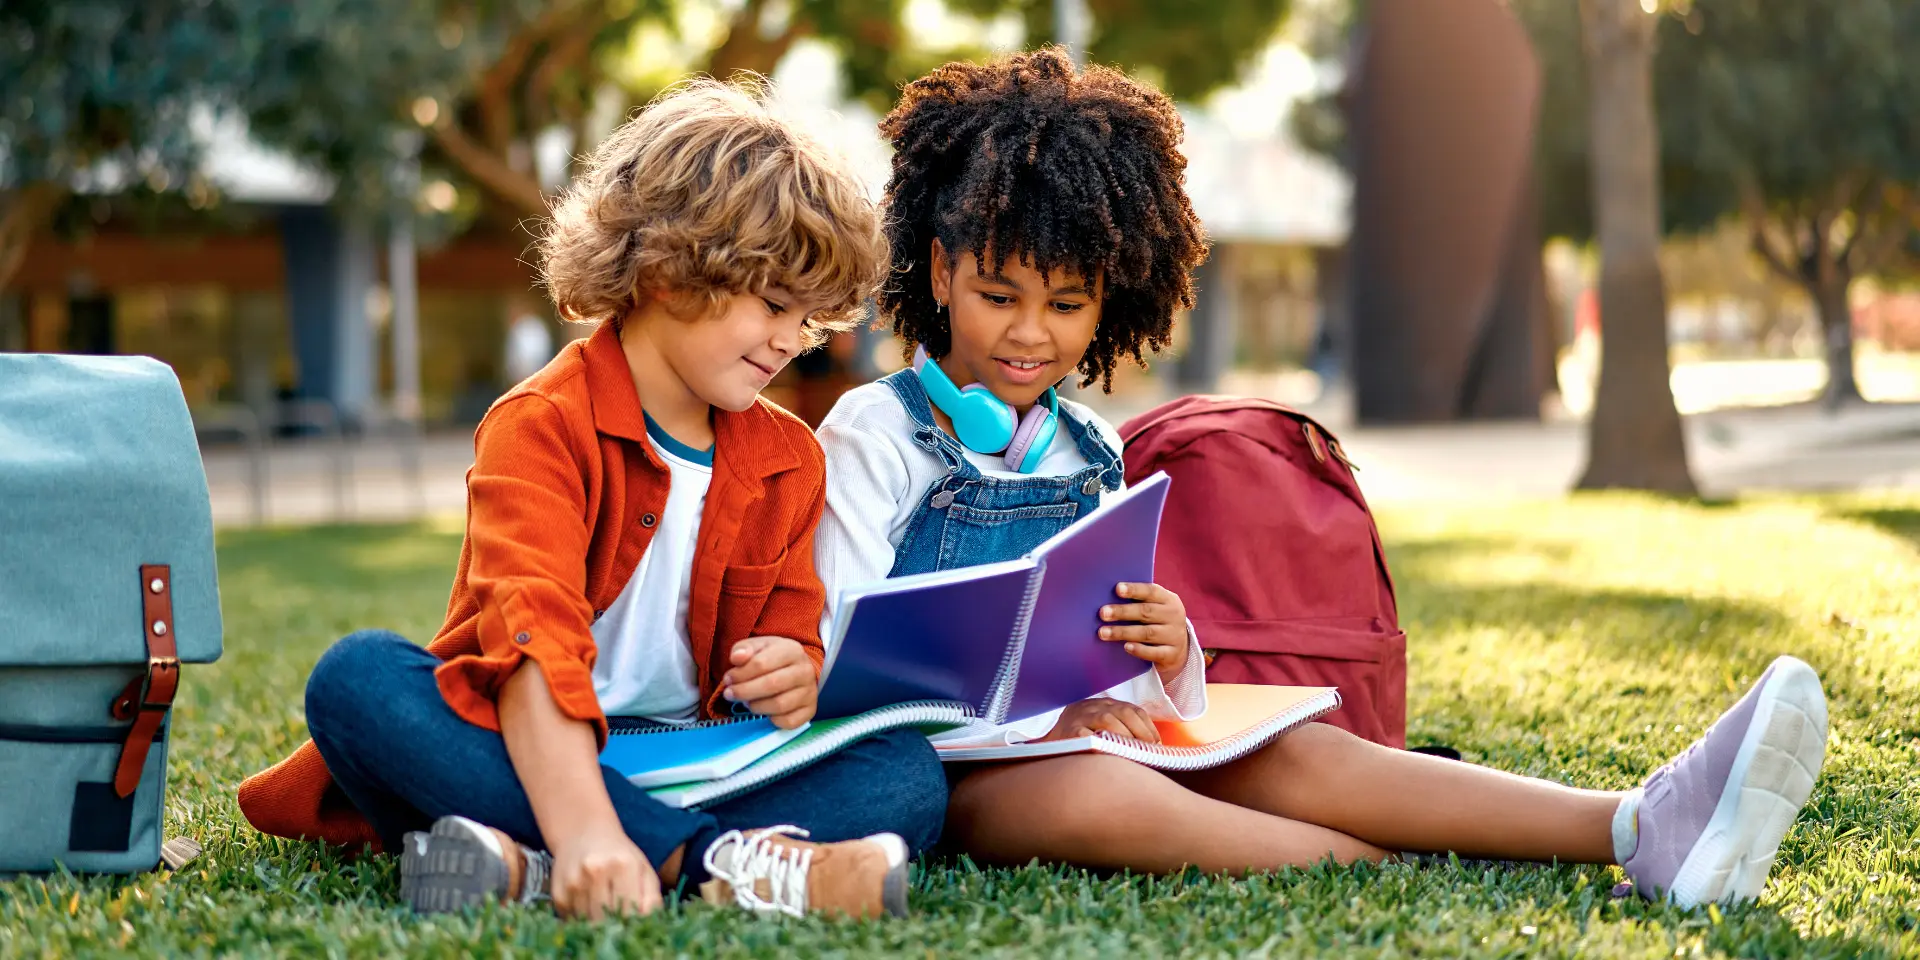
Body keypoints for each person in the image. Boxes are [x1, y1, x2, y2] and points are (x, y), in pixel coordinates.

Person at [811, 49, 1828, 907]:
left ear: (1108, 302)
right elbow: (839, 654)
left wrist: (1167, 654)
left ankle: (1640, 823)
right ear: (940, 272)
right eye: (998, 295)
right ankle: (1416, 872)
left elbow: (1110, 664)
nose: (1031, 333)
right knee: (1106, 800)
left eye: (1068, 305)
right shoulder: (874, 431)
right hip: (959, 773)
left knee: (1297, 745)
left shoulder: (1090, 446)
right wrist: (1043, 724)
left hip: (1087, 739)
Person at [237, 79, 946, 921]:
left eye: (811, 317)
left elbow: (790, 631)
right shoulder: (540, 425)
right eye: (774, 305)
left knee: (908, 775)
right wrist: (583, 828)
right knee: (356, 682)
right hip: (516, 744)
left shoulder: (790, 458)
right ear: (673, 271)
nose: (793, 341)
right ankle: (709, 863)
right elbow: (530, 647)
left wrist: (796, 671)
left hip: (689, 757)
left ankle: (520, 868)